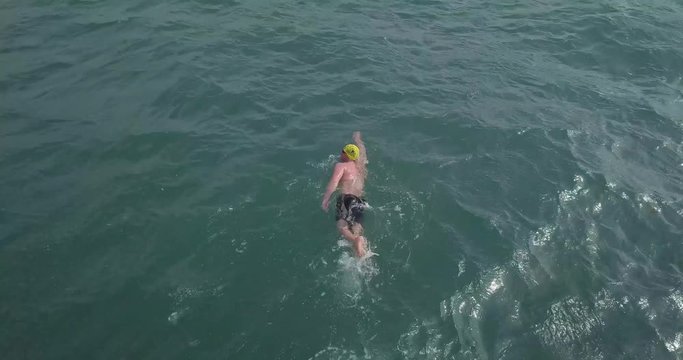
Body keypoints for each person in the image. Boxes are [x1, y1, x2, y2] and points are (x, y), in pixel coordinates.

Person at [321, 131, 369, 257]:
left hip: (346, 198)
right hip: (360, 201)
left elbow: (334, 182)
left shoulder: (341, 165)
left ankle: (355, 241)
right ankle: (361, 252)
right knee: (356, 228)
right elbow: (363, 153)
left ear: (345, 154)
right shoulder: (361, 167)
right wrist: (358, 140)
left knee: (342, 226)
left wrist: (326, 199)